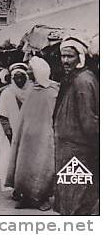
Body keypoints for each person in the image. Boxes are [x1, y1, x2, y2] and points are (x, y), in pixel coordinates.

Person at [53, 37, 99, 215]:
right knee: (71, 197)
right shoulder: (75, 78)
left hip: (78, 152)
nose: (65, 61)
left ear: (80, 57)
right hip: (70, 151)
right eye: (63, 56)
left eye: (69, 56)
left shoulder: (83, 81)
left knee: (76, 201)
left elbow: (89, 121)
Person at [5, 57, 58, 211]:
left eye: (30, 69)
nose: (28, 72)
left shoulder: (53, 91)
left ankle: (43, 199)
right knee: (24, 167)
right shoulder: (31, 91)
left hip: (43, 137)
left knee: (42, 166)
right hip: (27, 138)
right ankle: (26, 197)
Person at [0, 63, 32, 188]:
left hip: (28, 132)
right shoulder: (7, 93)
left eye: (22, 77)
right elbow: (2, 115)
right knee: (9, 159)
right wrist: (9, 133)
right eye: (16, 77)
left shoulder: (32, 92)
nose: (19, 80)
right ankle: (13, 187)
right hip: (10, 133)